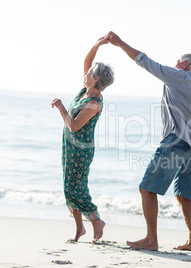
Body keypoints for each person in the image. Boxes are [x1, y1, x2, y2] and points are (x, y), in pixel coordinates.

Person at [107, 31, 191, 251]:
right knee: (184, 195)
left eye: (177, 62)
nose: (174, 64)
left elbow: (145, 62)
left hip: (175, 142)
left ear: (185, 64)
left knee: (147, 189)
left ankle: (151, 240)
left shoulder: (178, 76)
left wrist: (120, 43)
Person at [51, 36, 114, 243]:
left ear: (96, 79)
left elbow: (74, 125)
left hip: (81, 149)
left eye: (89, 73)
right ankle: (79, 229)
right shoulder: (85, 91)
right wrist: (97, 45)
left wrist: (60, 107)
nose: (85, 73)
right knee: (68, 187)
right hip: (69, 146)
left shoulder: (94, 102)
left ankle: (96, 220)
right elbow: (87, 63)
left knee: (74, 188)